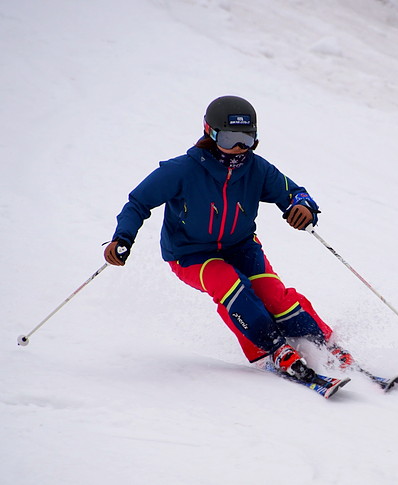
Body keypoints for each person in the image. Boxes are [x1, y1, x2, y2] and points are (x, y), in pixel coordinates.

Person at [104, 95, 352, 381]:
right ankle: (272, 349)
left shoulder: (256, 169)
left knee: (274, 295)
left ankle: (324, 344)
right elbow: (138, 202)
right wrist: (122, 237)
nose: (238, 147)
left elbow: (295, 193)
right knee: (230, 286)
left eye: (247, 139)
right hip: (190, 255)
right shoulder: (181, 170)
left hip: (242, 248)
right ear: (210, 133)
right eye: (230, 138)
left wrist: (302, 208)